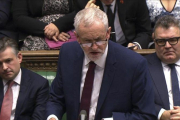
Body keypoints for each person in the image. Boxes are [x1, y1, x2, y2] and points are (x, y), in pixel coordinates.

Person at [46, 7, 156, 120]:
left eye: (99, 40)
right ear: (77, 37)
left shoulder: (133, 64)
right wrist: (52, 117)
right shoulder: (68, 54)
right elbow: (56, 98)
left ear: (108, 33)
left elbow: (146, 115)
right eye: (87, 41)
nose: (94, 47)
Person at [0, 37, 49, 120]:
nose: (4, 67)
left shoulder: (39, 84)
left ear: (19, 57)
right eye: (0, 63)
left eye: (8, 61)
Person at [73, 0, 152, 50]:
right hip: (97, 48)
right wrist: (87, 15)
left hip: (127, 47)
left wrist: (136, 44)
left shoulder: (134, 1)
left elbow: (145, 31)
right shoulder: (83, 2)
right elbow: (82, 35)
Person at [145, 15, 180, 120]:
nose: (168, 46)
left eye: (173, 40)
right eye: (161, 41)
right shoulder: (142, 67)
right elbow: (135, 100)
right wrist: (160, 114)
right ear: (154, 41)